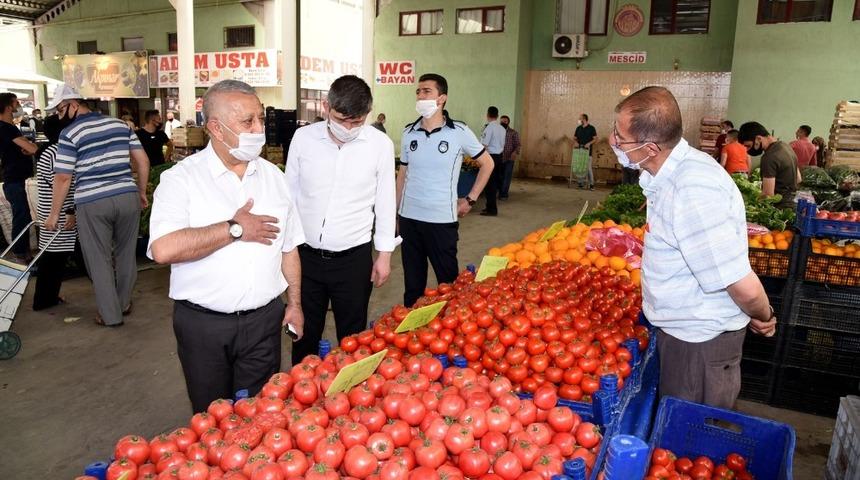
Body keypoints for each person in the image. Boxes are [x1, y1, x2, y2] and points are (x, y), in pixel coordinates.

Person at [611, 86, 776, 409]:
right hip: (683, 333)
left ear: (649, 147)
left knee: (691, 435)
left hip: (700, 341)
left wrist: (764, 315)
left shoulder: (694, 191)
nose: (613, 142)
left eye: (620, 137)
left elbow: (740, 283)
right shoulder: (669, 172)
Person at [148, 80, 305, 412]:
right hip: (204, 326)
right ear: (216, 129)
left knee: (261, 414)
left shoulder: (274, 177)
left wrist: (294, 303)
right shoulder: (181, 180)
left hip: (265, 321)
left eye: (260, 119)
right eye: (248, 122)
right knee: (211, 418)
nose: (259, 129)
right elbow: (163, 249)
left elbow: (288, 247)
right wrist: (233, 229)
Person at [286, 75, 399, 365]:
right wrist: (285, 250)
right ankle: (303, 393)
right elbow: (290, 195)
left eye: (357, 122)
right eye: (341, 119)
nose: (348, 128)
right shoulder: (304, 139)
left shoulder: (380, 145)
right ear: (326, 107)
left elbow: (386, 202)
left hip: (353, 259)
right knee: (304, 334)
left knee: (352, 338)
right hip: (306, 257)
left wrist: (384, 254)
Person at [45, 84, 150, 327]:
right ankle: (123, 303)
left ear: (72, 105)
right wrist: (141, 191)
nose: (59, 116)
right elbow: (142, 160)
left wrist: (54, 214)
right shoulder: (120, 125)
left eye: (60, 110)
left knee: (98, 258)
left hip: (92, 201)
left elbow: (63, 177)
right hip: (126, 196)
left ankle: (111, 315)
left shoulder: (69, 134)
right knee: (126, 254)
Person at [397, 73, 494, 307]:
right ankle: (412, 333)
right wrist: (395, 214)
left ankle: (450, 333)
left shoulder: (458, 132)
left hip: (441, 221)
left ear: (442, 98)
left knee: (449, 285)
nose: (420, 96)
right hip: (410, 219)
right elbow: (402, 176)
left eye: (426, 91)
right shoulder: (409, 132)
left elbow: (487, 164)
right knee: (413, 287)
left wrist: (470, 200)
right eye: (418, 92)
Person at [33, 113, 78, 311]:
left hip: (56, 213)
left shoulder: (51, 150)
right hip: (59, 215)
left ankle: (47, 298)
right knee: (53, 259)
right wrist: (70, 210)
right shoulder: (56, 152)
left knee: (54, 259)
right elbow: (61, 185)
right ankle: (43, 300)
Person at [0, 92, 38, 263]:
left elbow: (27, 147)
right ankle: (20, 254)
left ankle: (25, 254)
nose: (18, 106)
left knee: (24, 217)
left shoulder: (10, 128)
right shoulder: (5, 128)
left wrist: (29, 146)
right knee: (21, 217)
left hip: (15, 178)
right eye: (16, 103)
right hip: (13, 179)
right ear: (8, 107)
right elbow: (31, 148)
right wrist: (31, 146)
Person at [738, 122, 801, 209]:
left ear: (758, 139)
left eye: (748, 146)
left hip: (779, 208)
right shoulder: (786, 147)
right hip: (794, 203)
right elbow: (798, 179)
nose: (747, 150)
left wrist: (750, 204)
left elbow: (768, 195)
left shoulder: (769, 157)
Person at [479, 106, 506, 216]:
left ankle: (492, 209)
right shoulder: (502, 129)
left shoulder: (489, 128)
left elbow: (484, 145)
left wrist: (480, 159)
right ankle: (489, 207)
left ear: (488, 115)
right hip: (499, 157)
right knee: (493, 183)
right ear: (497, 115)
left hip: (490, 157)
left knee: (490, 184)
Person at [499, 115, 520, 200]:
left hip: (509, 158)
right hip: (498, 158)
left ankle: (504, 195)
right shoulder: (497, 132)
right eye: (502, 121)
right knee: (499, 176)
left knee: (507, 177)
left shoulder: (513, 132)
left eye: (505, 121)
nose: (503, 123)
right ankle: (499, 191)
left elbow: (518, 145)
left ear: (508, 122)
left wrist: (515, 153)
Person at [573, 113, 597, 190]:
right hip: (579, 151)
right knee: (580, 167)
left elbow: (595, 138)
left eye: (580, 119)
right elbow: (574, 137)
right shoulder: (578, 128)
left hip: (588, 151)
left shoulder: (591, 128)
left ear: (584, 119)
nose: (579, 120)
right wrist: (576, 142)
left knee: (588, 168)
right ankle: (581, 183)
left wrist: (589, 143)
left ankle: (591, 184)